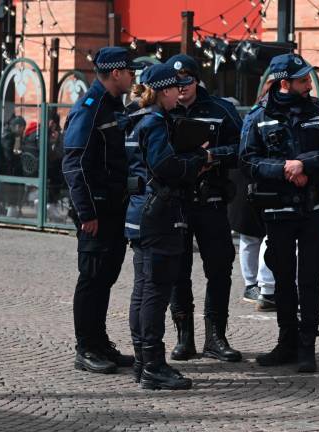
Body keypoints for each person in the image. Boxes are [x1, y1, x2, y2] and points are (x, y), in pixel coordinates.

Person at [240, 53, 319, 373]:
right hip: (278, 207)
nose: (309, 84)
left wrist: (304, 165)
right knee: (282, 276)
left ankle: (307, 344)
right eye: (303, 80)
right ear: (285, 83)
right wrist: (284, 168)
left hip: (313, 206)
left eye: (308, 79)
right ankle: (287, 341)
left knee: (310, 275)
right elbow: (247, 160)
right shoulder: (257, 116)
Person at [62, 47, 143, 374]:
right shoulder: (90, 108)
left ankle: (99, 342)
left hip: (113, 209)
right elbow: (73, 164)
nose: (133, 77)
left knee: (105, 277)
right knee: (92, 278)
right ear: (115, 73)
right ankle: (85, 348)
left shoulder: (112, 106)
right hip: (96, 212)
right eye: (129, 71)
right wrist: (86, 213)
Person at [124, 63, 203, 390]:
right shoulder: (155, 122)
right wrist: (199, 161)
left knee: (143, 291)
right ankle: (153, 365)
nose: (179, 93)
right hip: (158, 216)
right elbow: (165, 166)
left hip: (141, 212)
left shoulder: (135, 118)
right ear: (163, 90)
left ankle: (143, 362)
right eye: (175, 88)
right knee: (155, 293)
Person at [163, 54, 244, 363]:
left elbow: (242, 148)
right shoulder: (162, 111)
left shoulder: (221, 109)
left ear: (196, 80)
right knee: (177, 270)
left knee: (220, 267)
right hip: (176, 202)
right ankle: (185, 338)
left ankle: (215, 337)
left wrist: (211, 157)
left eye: (186, 80)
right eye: (175, 82)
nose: (180, 87)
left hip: (211, 200)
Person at [229, 76, 277, 312]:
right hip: (251, 181)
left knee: (268, 235)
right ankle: (252, 283)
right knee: (251, 235)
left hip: (273, 181)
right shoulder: (255, 114)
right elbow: (246, 151)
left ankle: (266, 284)